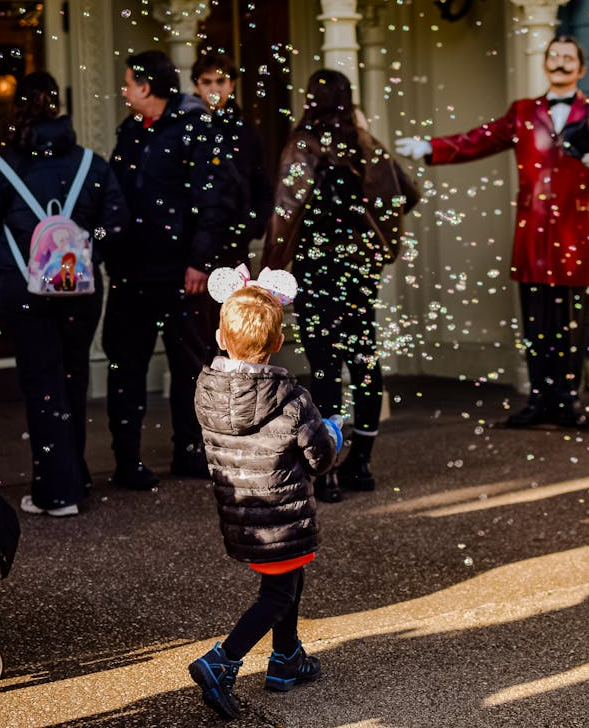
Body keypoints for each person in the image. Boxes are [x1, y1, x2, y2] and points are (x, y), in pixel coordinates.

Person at [395, 35, 589, 429]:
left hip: (577, 234)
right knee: (536, 323)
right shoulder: (522, 111)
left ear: (581, 68)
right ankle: (538, 401)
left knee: (571, 322)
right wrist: (430, 147)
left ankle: (567, 402)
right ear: (546, 65)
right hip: (532, 234)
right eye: (554, 57)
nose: (561, 64)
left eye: (569, 58)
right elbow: (478, 140)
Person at [0, 71, 128, 517]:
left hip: (23, 292)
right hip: (80, 290)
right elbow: (114, 226)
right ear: (59, 107)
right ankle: (73, 478)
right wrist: (84, 241)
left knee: (43, 388)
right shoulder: (91, 164)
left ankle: (57, 494)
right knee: (73, 382)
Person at [262, 69, 419, 503]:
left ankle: (326, 469)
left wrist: (269, 269)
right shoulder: (366, 144)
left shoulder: (305, 144)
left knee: (325, 361)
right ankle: (362, 462)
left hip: (319, 263)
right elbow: (409, 192)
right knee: (363, 355)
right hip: (360, 264)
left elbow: (285, 211)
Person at [188, 271, 339, 720]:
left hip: (242, 514)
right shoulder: (292, 398)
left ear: (219, 336)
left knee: (286, 581)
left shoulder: (206, 392)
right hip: (283, 514)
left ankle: (286, 659)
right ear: (278, 343)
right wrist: (331, 432)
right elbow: (320, 459)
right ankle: (222, 660)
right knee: (276, 595)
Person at [103, 50, 236, 489]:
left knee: (188, 366)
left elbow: (213, 198)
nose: (124, 91)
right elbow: (116, 196)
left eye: (128, 83)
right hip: (130, 272)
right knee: (126, 366)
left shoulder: (194, 129)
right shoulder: (129, 132)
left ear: (145, 87)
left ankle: (190, 451)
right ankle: (127, 460)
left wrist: (200, 260)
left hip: (180, 273)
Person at [191, 52, 274, 266]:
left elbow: (261, 183)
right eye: (206, 82)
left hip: (235, 241)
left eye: (220, 81)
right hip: (192, 241)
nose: (214, 88)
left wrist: (252, 225)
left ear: (231, 85)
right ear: (196, 86)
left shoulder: (246, 131)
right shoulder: (188, 129)